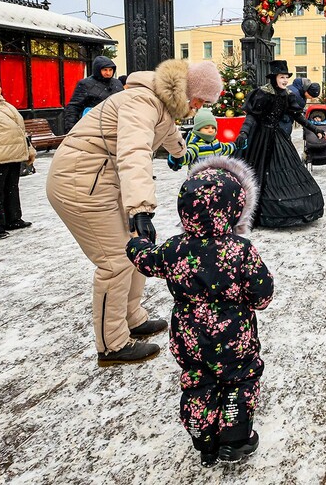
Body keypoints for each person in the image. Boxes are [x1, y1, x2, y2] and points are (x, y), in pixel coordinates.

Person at [46, 59, 223, 366]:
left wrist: (185, 156)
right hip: (80, 184)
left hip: (102, 181)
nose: (200, 107)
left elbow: (171, 137)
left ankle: (132, 317)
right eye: (201, 100)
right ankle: (112, 344)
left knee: (134, 248)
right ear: (189, 90)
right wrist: (141, 208)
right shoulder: (141, 102)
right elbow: (134, 150)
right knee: (114, 261)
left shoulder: (162, 106)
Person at [126, 156, 274, 467]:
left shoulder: (174, 248)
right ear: (236, 209)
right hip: (235, 334)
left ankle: (203, 438)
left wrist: (137, 242)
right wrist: (253, 300)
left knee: (199, 381)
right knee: (239, 378)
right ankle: (235, 440)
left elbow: (145, 259)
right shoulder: (239, 250)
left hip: (190, 334)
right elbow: (262, 292)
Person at [236, 60, 326, 228]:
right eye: (282, 77)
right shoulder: (262, 93)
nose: (285, 80)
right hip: (260, 139)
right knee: (259, 172)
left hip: (278, 137)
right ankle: (255, 210)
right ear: (274, 77)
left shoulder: (287, 95)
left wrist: (315, 129)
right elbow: (252, 116)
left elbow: (297, 117)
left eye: (286, 77)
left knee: (284, 169)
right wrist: (244, 132)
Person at [0, 70, 36, 239]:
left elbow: (20, 130)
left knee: (11, 189)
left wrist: (29, 150)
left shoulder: (4, 104)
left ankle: (12, 219)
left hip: (13, 156)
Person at [63, 55, 124, 132]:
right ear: (98, 70)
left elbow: (123, 103)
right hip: (93, 125)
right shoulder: (85, 84)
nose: (108, 73)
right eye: (105, 70)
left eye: (110, 70)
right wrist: (71, 129)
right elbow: (74, 107)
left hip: (115, 123)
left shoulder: (117, 83)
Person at [168, 108, 239, 170]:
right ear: (198, 129)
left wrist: (236, 145)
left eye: (213, 128)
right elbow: (188, 155)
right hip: (199, 180)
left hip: (215, 179)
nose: (211, 130)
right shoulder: (196, 145)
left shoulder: (216, 144)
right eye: (206, 128)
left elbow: (226, 148)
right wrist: (177, 158)